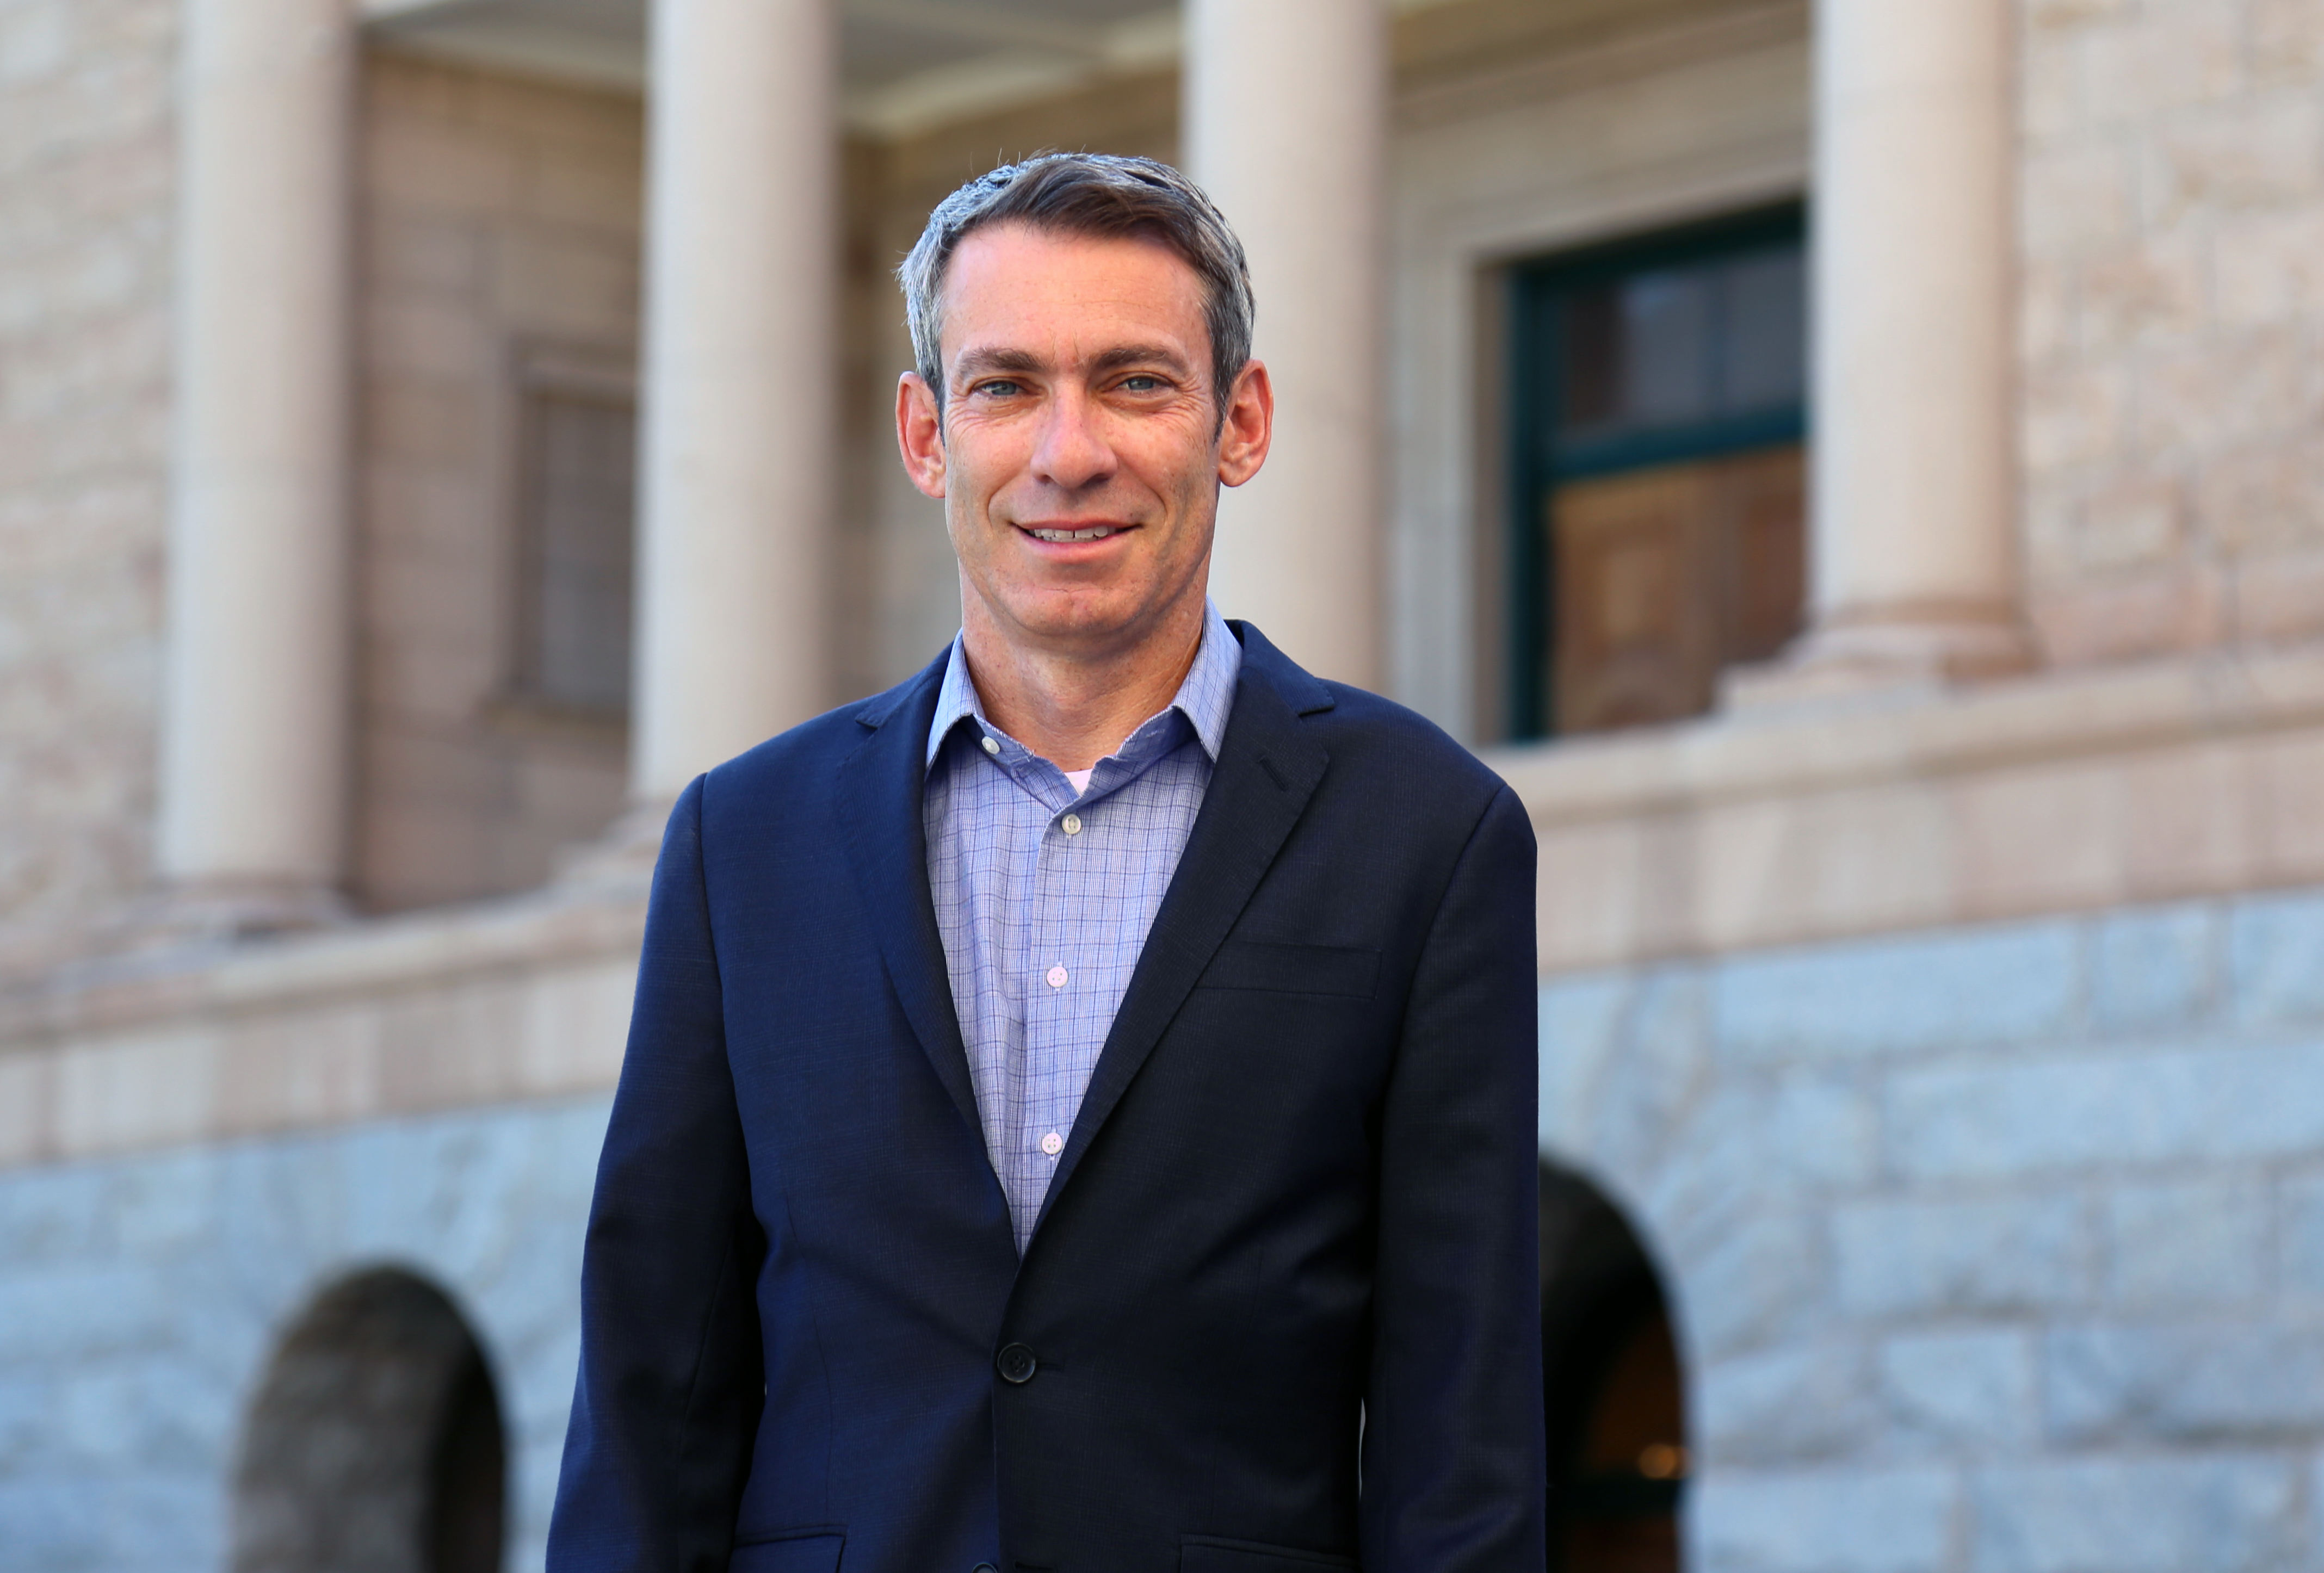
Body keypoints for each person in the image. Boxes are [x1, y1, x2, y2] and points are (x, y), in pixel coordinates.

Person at [547, 153, 1544, 1573]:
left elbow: (1465, 1432)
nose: (1067, 452)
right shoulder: (740, 844)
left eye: (1136, 382)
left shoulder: (1428, 835)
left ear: (1241, 421)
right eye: (1005, 386)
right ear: (926, 433)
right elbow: (651, 1391)